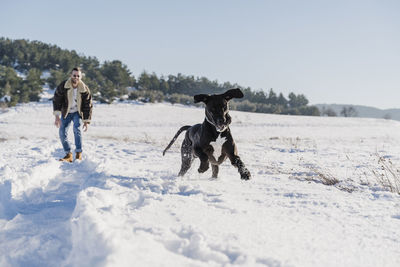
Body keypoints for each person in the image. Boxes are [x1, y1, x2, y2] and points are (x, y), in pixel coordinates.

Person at [53, 67, 93, 162]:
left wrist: (86, 121)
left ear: (81, 77)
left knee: (77, 129)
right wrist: (57, 116)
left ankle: (78, 153)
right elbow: (57, 100)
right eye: (74, 75)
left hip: (77, 112)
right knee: (62, 132)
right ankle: (68, 154)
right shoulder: (64, 86)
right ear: (71, 75)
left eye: (78, 76)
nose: (76, 77)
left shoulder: (84, 89)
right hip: (66, 112)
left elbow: (88, 105)